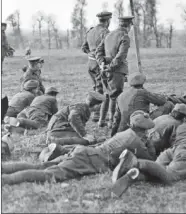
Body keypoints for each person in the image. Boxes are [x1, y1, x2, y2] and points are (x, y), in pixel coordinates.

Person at [1, 111, 156, 185]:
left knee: (41, 166)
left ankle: (3, 168)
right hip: (91, 159)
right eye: (146, 130)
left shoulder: (126, 132)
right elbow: (150, 160)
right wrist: (149, 143)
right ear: (143, 129)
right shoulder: (136, 140)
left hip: (84, 152)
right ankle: (5, 180)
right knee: (49, 175)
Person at [111, 99, 186, 189]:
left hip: (171, 151)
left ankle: (134, 175)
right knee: (170, 177)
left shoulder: (183, 127)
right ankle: (135, 162)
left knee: (156, 174)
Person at [95, 16, 133, 128]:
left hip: (105, 69)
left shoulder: (109, 34)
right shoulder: (125, 36)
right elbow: (121, 56)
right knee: (115, 96)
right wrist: (110, 67)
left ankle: (101, 121)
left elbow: (98, 51)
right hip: (116, 70)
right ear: (129, 25)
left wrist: (102, 63)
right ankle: (112, 122)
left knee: (107, 94)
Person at [111, 72, 175, 137]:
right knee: (169, 104)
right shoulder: (142, 92)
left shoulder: (120, 96)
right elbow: (162, 100)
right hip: (141, 124)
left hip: (124, 128)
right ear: (143, 82)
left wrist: (113, 134)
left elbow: (116, 118)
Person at [81, 11, 112, 122]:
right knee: (101, 89)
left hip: (90, 64)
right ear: (108, 21)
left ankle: (93, 111)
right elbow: (109, 50)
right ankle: (97, 114)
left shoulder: (90, 31)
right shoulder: (105, 32)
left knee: (96, 87)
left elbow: (83, 48)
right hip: (99, 64)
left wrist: (91, 54)